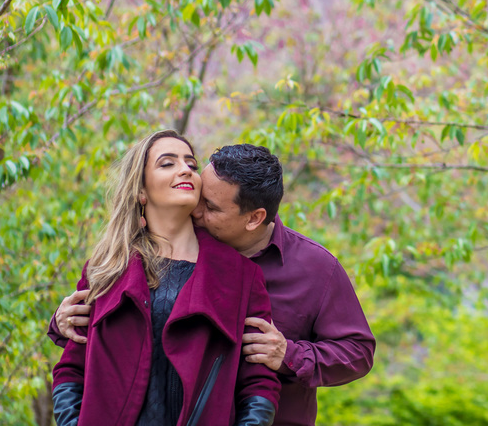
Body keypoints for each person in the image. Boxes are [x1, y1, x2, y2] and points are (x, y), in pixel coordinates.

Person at [52, 143, 374, 426]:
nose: (196, 210)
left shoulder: (312, 269)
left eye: (211, 207)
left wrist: (289, 354)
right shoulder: (137, 256)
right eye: (199, 195)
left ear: (253, 218)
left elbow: (358, 351)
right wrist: (65, 320)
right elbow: (90, 357)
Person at [51, 129, 278, 426]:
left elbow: (259, 384)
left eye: (191, 164)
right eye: (167, 163)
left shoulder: (241, 276)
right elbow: (70, 370)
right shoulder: (105, 269)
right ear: (141, 191)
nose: (185, 169)